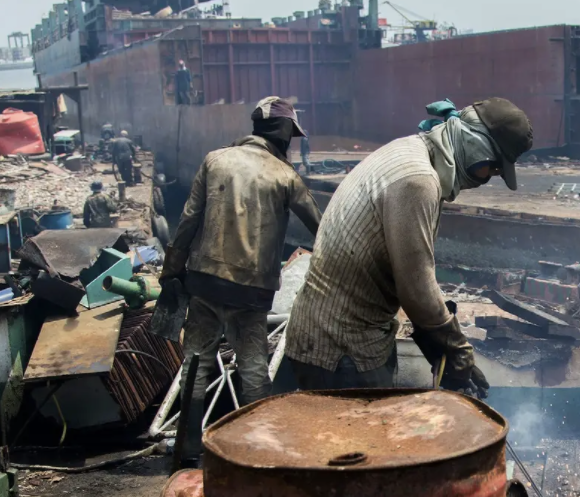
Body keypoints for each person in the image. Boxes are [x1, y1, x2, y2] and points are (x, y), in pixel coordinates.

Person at [284, 97, 532, 393]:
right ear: (476, 146)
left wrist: (436, 341)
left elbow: (407, 268)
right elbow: (415, 289)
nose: (488, 178)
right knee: (368, 438)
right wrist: (457, 348)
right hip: (342, 349)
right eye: (492, 168)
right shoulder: (417, 181)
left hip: (331, 336)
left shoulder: (411, 150)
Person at [159, 96, 322, 467]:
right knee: (253, 369)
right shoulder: (285, 177)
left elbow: (187, 221)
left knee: (196, 365)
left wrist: (172, 271)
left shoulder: (215, 160)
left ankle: (186, 453)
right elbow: (321, 228)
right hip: (253, 292)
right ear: (284, 133)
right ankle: (255, 453)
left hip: (204, 283)